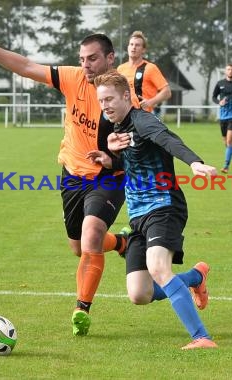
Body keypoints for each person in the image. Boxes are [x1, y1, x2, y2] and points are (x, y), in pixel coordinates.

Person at [0, 26, 135, 337]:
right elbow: (26, 66)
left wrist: (113, 159)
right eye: (82, 59)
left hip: (108, 177)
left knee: (91, 234)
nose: (85, 65)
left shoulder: (126, 99)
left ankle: (81, 309)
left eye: (93, 59)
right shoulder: (73, 78)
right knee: (79, 247)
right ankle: (122, 242)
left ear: (110, 59)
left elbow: (137, 151)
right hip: (73, 175)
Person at [87, 70, 218, 350]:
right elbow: (134, 163)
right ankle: (196, 277)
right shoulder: (118, 129)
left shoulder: (143, 121)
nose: (105, 105)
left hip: (164, 206)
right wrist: (109, 160)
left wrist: (194, 162)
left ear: (126, 96)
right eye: (101, 101)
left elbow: (168, 140)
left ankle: (202, 337)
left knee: (159, 267)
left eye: (110, 98)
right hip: (137, 216)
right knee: (139, 294)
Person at [116, 31, 171, 118]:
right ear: (128, 47)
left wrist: (151, 102)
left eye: (137, 45)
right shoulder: (120, 69)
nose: (133, 47)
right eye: (131, 44)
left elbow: (167, 92)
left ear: (143, 50)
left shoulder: (150, 68)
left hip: (144, 116)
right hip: (124, 116)